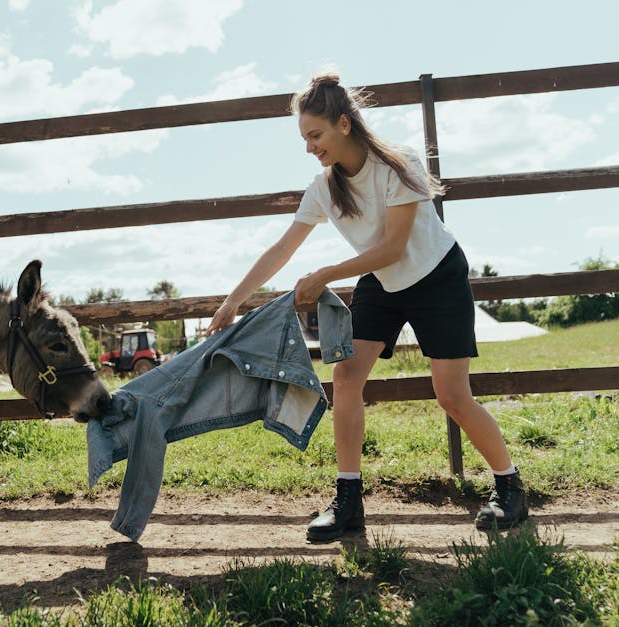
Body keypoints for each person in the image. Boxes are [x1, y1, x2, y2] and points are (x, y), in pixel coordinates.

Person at [206, 73, 528, 541]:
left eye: (314, 135)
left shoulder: (397, 165)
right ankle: (349, 502)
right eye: (304, 138)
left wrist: (323, 276)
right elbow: (282, 248)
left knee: (452, 395)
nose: (309, 147)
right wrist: (232, 302)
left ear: (343, 123)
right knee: (346, 375)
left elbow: (394, 247)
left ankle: (510, 487)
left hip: (436, 277)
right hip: (382, 280)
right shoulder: (323, 187)